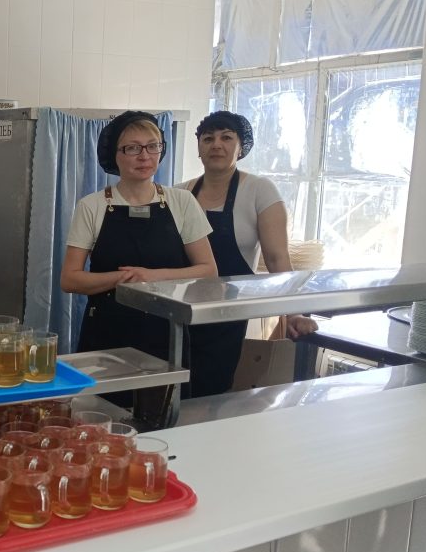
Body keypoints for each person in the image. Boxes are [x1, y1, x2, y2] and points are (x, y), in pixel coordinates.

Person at [61, 111, 217, 415]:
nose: (144, 156)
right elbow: (70, 279)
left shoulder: (182, 202)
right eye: (132, 148)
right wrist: (123, 279)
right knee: (100, 419)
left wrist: (151, 276)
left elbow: (208, 270)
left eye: (152, 146)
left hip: (165, 333)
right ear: (114, 155)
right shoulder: (92, 206)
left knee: (163, 418)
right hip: (106, 333)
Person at [179, 111, 319, 397]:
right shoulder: (180, 193)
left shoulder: (259, 190)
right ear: (199, 148)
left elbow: (278, 259)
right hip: (179, 313)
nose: (216, 145)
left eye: (226, 138)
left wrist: (294, 313)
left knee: (210, 393)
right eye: (208, 138)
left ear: (241, 147)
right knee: (169, 392)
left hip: (226, 316)